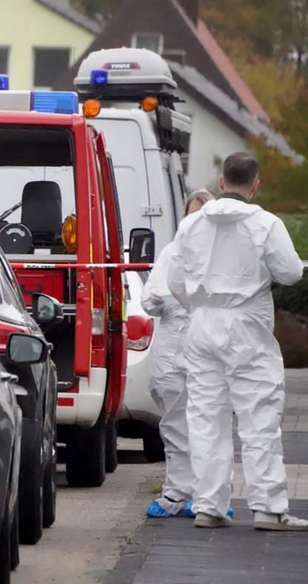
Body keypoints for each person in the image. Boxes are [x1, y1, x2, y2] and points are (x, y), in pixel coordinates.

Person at [168, 153, 307, 530]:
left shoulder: (191, 225)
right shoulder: (265, 224)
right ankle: (268, 508)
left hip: (202, 324)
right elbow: (292, 273)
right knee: (259, 415)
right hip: (246, 325)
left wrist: (199, 306)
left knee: (206, 417)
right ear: (255, 184)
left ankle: (209, 506)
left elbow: (175, 280)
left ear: (221, 181)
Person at [142, 188, 215, 518]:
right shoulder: (173, 253)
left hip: (209, 352)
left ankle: (207, 497)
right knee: (174, 427)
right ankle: (175, 494)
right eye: (192, 213)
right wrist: (169, 300)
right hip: (173, 353)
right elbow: (149, 298)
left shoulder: (222, 256)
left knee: (208, 428)